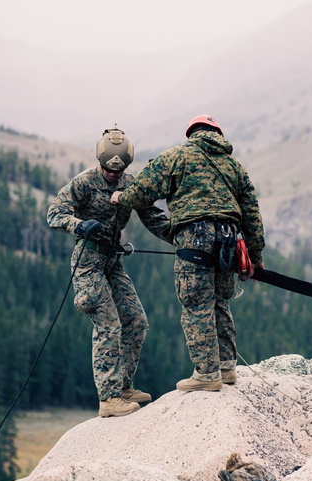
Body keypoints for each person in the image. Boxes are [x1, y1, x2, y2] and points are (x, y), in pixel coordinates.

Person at [111, 114, 265, 392]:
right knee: (220, 301)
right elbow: (252, 214)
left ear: (191, 133)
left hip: (194, 237)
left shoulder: (176, 156)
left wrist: (121, 197)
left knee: (196, 304)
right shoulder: (235, 166)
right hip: (229, 241)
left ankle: (206, 374)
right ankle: (227, 367)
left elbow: (143, 192)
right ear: (218, 133)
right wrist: (256, 256)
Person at [47, 127, 169, 418]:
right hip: (88, 263)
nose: (113, 176)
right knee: (109, 326)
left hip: (113, 262)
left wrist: (183, 238)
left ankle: (124, 386)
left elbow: (152, 217)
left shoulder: (130, 184)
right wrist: (80, 225)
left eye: (119, 171)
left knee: (136, 321)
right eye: (108, 170)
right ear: (100, 163)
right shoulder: (84, 182)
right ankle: (109, 398)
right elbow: (54, 214)